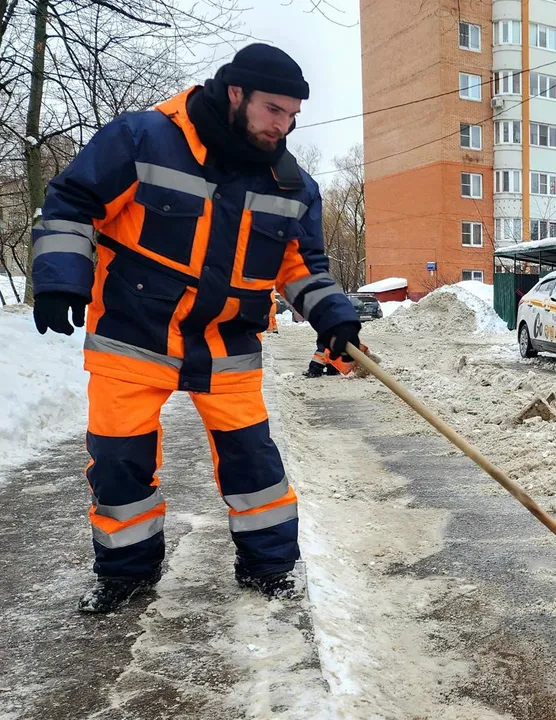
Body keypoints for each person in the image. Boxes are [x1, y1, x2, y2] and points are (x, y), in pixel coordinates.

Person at [30, 44, 361, 613]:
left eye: (292, 116)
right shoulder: (143, 140)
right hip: (134, 330)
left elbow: (302, 267)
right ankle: (125, 575)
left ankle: (271, 568)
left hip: (226, 342)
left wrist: (331, 314)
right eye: (274, 110)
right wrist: (61, 275)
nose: (284, 126)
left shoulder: (292, 185)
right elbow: (72, 203)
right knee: (119, 463)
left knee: (254, 463)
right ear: (236, 93)